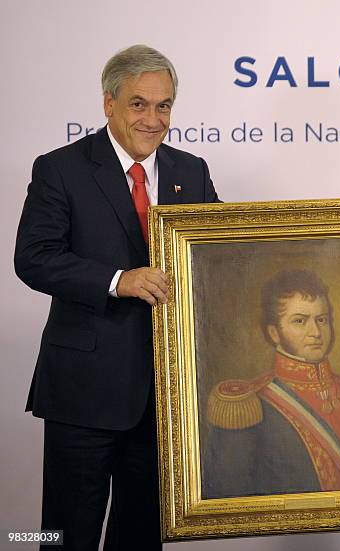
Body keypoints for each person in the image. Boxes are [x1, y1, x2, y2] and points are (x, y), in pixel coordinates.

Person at [14, 45, 220, 550]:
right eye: (139, 104)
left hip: (165, 394)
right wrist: (117, 279)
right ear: (109, 103)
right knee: (66, 534)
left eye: (164, 106)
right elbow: (33, 258)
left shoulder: (190, 171)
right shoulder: (60, 168)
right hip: (83, 393)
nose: (153, 119)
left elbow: (218, 251)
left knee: (142, 534)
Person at [204, 269, 340, 498]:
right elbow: (230, 501)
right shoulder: (247, 406)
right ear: (274, 333)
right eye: (300, 321)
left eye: (321, 320)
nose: (315, 332)